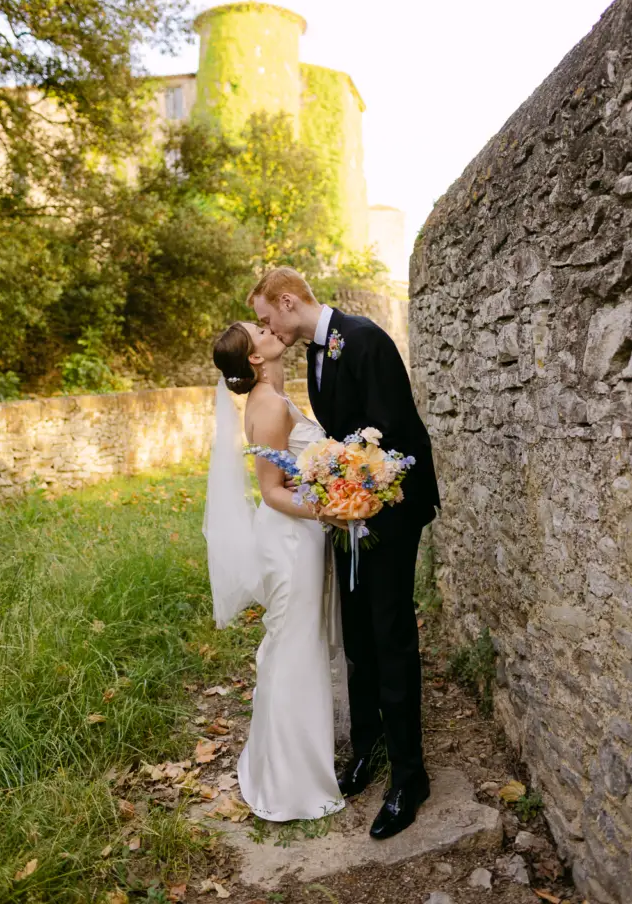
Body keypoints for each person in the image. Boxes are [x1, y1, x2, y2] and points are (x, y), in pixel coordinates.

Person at [249, 267, 440, 840]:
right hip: (347, 514)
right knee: (355, 634)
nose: (266, 328)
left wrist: (354, 493)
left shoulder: (365, 339)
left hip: (390, 511)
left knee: (389, 634)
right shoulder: (316, 352)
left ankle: (410, 776)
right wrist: (334, 496)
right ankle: (368, 747)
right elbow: (337, 437)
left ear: (287, 302)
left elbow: (392, 432)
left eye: (265, 318)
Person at [207, 320, 346, 822]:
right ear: (254, 358)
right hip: (289, 540)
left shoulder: (273, 396)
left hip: (297, 535)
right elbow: (272, 492)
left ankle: (289, 764)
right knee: (295, 648)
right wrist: (336, 510)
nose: (269, 329)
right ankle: (291, 785)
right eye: (258, 330)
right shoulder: (265, 406)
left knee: (297, 643)